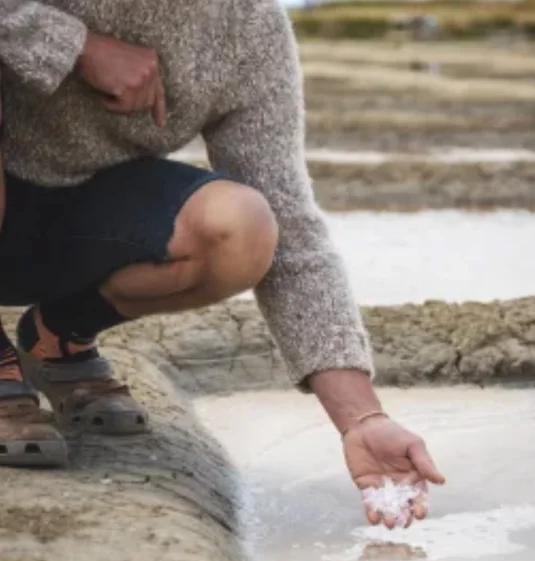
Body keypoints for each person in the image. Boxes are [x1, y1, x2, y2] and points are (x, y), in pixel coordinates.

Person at [0, 0, 445, 528]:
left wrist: (361, 419)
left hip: (79, 225)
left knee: (245, 225)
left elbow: (293, 234)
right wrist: (75, 45)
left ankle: (59, 335)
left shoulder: (248, 28)